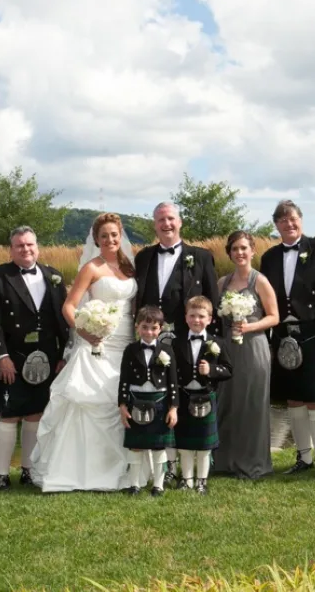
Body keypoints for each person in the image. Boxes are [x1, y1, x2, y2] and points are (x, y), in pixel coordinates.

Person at [29, 213, 138, 492]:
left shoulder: (130, 266)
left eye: (114, 235)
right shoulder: (91, 267)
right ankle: (83, 470)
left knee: (120, 404)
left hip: (126, 344)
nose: (110, 240)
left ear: (120, 235)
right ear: (96, 239)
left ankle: (123, 466)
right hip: (96, 344)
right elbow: (69, 306)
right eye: (104, 236)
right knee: (90, 402)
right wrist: (84, 330)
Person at [133, 201, 220, 483]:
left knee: (183, 399)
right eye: (160, 220)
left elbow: (213, 305)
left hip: (187, 343)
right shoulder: (143, 257)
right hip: (153, 340)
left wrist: (211, 347)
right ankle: (166, 466)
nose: (166, 224)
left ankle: (193, 465)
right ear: (154, 225)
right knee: (160, 398)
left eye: (170, 219)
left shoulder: (202, 256)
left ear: (180, 222)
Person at [259, 200, 315, 482]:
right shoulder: (269, 258)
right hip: (283, 334)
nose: (289, 224)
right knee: (293, 399)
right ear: (276, 225)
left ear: (301, 220)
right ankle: (303, 456)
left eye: (293, 219)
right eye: (282, 221)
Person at [0, 226, 69, 490]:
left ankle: (28, 470)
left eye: (30, 245)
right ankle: (1, 474)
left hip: (45, 357)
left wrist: (63, 354)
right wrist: (1, 356)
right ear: (11, 249)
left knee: (35, 415)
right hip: (13, 355)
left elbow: (62, 320)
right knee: (8, 415)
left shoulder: (53, 275)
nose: (25, 249)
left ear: (37, 247)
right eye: (19, 245)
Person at [212, 231, 280, 480]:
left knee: (251, 405)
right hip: (228, 349)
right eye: (235, 249)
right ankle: (224, 461)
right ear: (229, 253)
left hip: (253, 348)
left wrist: (248, 326)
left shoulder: (259, 281)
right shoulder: (222, 283)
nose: (239, 253)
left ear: (252, 251)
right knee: (227, 403)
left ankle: (253, 463)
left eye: (244, 248)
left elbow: (274, 316)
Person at [171, 296, 233, 494]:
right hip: (185, 396)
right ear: (186, 317)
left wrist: (212, 370)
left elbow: (229, 370)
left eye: (201, 316)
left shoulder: (218, 342)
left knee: (205, 445)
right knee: (185, 443)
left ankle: (202, 481)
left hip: (207, 396)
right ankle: (187, 480)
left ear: (209, 319)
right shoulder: (176, 342)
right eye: (192, 315)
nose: (196, 320)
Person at [117, 305, 179, 497]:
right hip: (136, 401)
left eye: (153, 328)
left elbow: (173, 383)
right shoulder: (130, 350)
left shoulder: (167, 349)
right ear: (137, 327)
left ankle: (158, 485)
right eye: (145, 327)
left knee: (159, 445)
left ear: (161, 328)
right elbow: (124, 380)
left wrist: (173, 408)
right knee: (136, 446)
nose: (149, 332)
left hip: (159, 400)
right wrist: (122, 405)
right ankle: (134, 484)